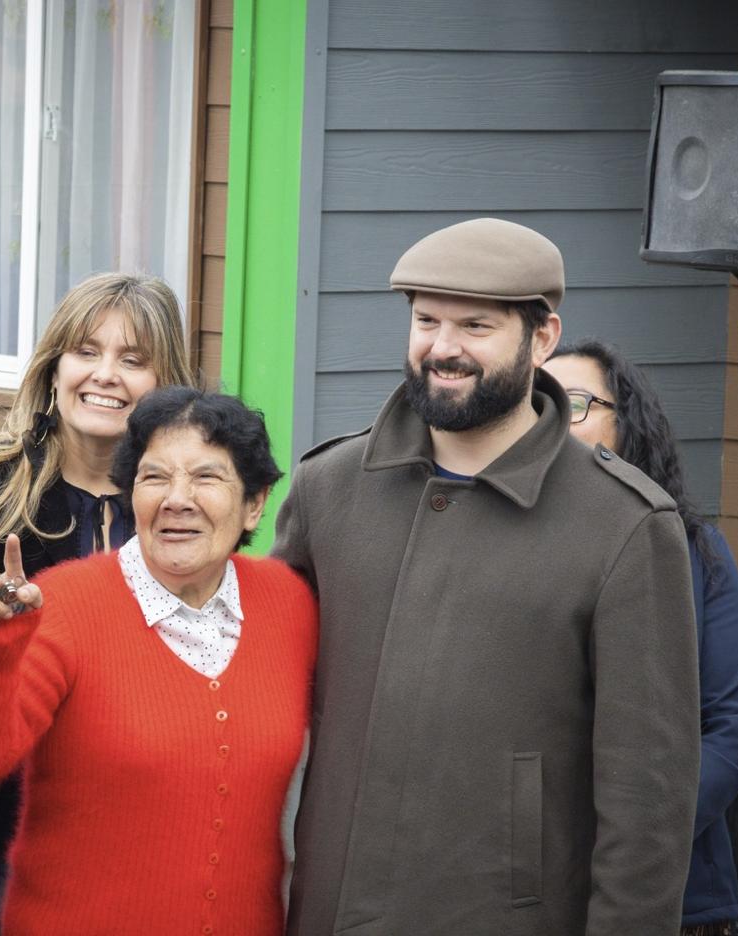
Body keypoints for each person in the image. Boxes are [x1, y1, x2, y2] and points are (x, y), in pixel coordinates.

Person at [274, 217, 700, 935]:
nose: (443, 347)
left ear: (542, 338)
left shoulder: (626, 526)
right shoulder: (328, 489)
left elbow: (647, 810)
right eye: (426, 320)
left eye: (475, 325)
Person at [0, 387, 318, 935]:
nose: (177, 499)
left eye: (206, 478)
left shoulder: (289, 604)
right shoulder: (64, 603)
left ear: (255, 502)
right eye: (155, 477)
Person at [0, 272, 196, 934]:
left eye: (133, 360)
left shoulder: (187, 515)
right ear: (55, 364)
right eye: (86, 351)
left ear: (165, 382)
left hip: (137, 847)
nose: (105, 375)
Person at [545, 340, 738, 936]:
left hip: (678, 895)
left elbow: (731, 728)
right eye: (540, 404)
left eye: (575, 403)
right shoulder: (497, 553)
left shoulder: (699, 554)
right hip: (529, 889)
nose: (554, 421)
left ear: (628, 425)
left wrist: (635, 841)